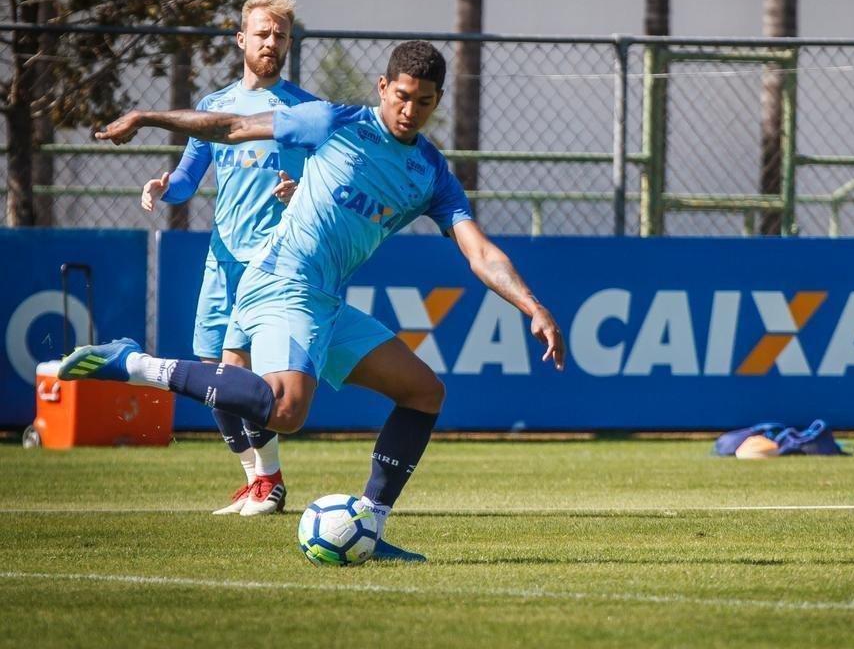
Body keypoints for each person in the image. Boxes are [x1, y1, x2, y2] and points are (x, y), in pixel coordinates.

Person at [61, 40, 567, 562]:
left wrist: (532, 305)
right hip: (282, 277)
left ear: (438, 101)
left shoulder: (432, 173)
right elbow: (230, 127)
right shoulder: (333, 121)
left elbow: (478, 251)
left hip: (322, 298)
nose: (410, 110)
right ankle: (135, 362)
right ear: (383, 88)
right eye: (402, 96)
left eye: (425, 101)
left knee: (423, 392)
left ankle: (367, 526)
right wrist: (146, 117)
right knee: (286, 409)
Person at [141, 0, 318, 517]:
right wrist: (163, 185)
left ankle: (273, 482)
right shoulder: (214, 109)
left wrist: (300, 193)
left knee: (245, 375)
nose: (271, 42)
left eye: (280, 36)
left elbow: (326, 184)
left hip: (274, 264)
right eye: (262, 34)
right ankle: (254, 479)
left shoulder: (305, 111)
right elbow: (189, 179)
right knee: (210, 367)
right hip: (223, 258)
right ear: (241, 39)